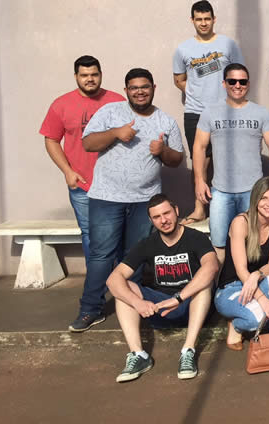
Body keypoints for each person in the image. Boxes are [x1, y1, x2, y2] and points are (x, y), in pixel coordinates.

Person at [68, 68, 185, 333]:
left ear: (153, 88)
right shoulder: (110, 112)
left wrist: (162, 151)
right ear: (126, 91)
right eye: (134, 88)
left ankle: (133, 307)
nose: (139, 92)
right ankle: (90, 310)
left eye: (144, 87)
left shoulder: (165, 121)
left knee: (135, 258)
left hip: (145, 201)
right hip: (106, 197)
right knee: (101, 255)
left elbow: (177, 159)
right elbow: (88, 143)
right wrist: (116, 133)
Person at [106, 194, 219, 382]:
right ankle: (138, 355)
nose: (163, 220)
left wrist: (178, 298)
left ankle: (188, 350)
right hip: (158, 308)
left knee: (203, 284)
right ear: (151, 220)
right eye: (157, 217)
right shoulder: (147, 244)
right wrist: (137, 303)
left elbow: (212, 266)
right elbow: (113, 279)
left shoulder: (196, 238)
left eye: (166, 213)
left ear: (176, 211)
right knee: (124, 288)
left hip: (190, 305)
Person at [193, 63, 269, 264]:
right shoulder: (210, 112)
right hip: (220, 191)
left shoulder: (260, 113)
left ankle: (250, 280)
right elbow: (199, 146)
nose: (237, 85)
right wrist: (199, 180)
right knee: (219, 244)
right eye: (232, 81)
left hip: (254, 192)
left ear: (248, 84)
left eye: (242, 82)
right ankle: (221, 283)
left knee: (253, 242)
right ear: (224, 83)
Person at [39, 55, 124, 262]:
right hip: (82, 184)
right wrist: (67, 172)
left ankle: (120, 278)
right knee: (90, 234)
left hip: (116, 183)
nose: (90, 79)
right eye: (84, 75)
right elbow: (51, 140)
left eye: (94, 74)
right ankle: (97, 280)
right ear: (76, 76)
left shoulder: (117, 101)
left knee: (119, 233)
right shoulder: (61, 104)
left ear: (101, 75)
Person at [173, 0, 244, 224]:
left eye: (207, 19)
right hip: (195, 112)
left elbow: (239, 74)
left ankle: (233, 207)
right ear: (192, 20)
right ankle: (199, 208)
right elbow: (179, 79)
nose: (203, 23)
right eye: (199, 19)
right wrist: (196, 92)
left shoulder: (228, 44)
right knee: (199, 162)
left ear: (214, 19)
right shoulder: (183, 49)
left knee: (228, 159)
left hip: (226, 111)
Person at [214, 176, 269, 350]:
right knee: (258, 317)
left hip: (257, 282)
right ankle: (235, 325)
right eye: (264, 198)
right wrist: (262, 299)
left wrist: (257, 275)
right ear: (255, 199)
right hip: (231, 288)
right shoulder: (241, 222)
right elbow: (241, 270)